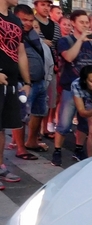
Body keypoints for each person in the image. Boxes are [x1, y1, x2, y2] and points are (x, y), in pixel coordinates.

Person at [52, 9, 92, 166]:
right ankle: (57, 150)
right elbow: (69, 57)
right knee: (64, 122)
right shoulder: (65, 41)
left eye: (86, 22)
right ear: (73, 23)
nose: (85, 25)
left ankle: (78, 148)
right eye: (82, 22)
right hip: (70, 87)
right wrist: (80, 40)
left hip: (87, 90)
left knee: (84, 123)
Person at [12, 4, 54, 160]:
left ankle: (31, 142)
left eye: (30, 20)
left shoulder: (33, 34)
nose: (28, 23)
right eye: (24, 20)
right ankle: (21, 148)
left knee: (39, 112)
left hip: (39, 81)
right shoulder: (14, 34)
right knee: (21, 116)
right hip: (22, 83)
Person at [0, 0, 31, 190]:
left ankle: (0, 166)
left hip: (10, 83)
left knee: (2, 128)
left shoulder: (15, 21)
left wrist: (27, 82)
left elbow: (20, 53)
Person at [34, 0, 60, 138]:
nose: (45, 7)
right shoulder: (31, 22)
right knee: (33, 100)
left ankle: (44, 128)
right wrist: (41, 41)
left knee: (49, 99)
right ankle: (33, 133)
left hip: (52, 66)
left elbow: (58, 45)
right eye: (42, 4)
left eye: (48, 5)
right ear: (36, 6)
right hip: (36, 66)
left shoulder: (55, 25)